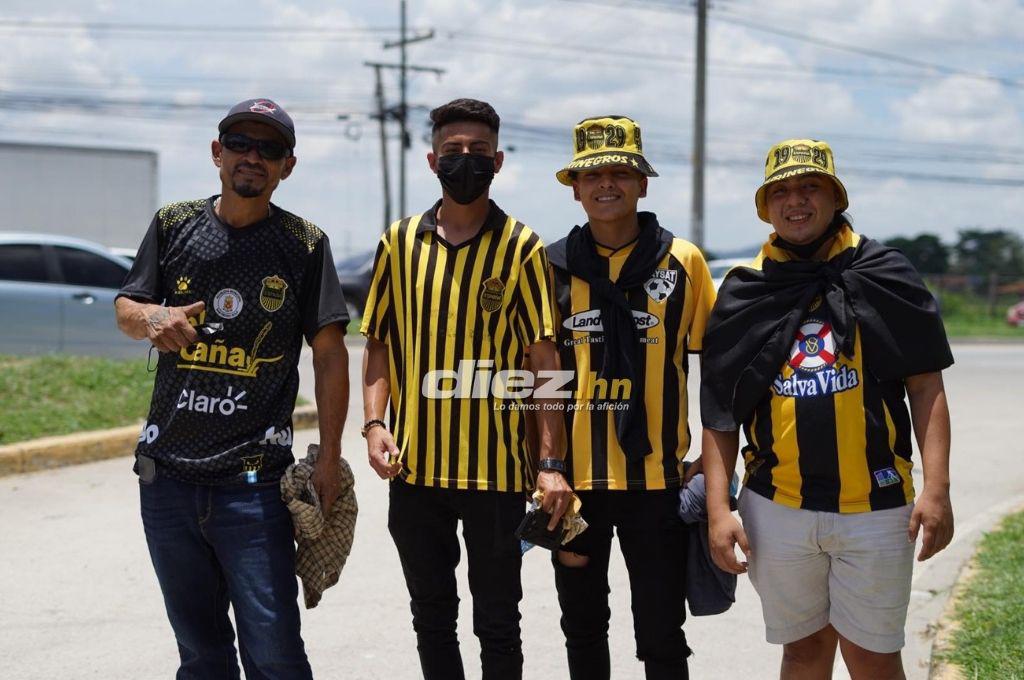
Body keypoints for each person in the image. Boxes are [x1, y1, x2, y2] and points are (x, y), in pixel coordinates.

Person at [700, 139, 955, 680]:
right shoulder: (744, 291)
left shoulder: (884, 272)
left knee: (874, 658)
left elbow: (926, 386)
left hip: (878, 507)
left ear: (835, 197)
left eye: (810, 187)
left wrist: (937, 490)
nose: (796, 201)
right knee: (804, 652)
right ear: (765, 206)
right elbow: (720, 412)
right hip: (777, 508)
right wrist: (720, 512)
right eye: (781, 191)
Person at [115, 98, 350, 679]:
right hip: (167, 478)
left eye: (268, 149)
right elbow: (126, 305)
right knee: (200, 654)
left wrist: (332, 455)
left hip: (255, 486)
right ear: (217, 153)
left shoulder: (303, 243)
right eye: (240, 144)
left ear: (286, 166)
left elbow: (328, 355)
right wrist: (154, 320)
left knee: (274, 656)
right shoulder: (173, 225)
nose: (252, 157)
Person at [359, 98, 572, 680]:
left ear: (498, 161)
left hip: (497, 475)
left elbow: (543, 361)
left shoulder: (523, 248)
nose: (465, 162)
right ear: (432, 161)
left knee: (498, 621)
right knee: (430, 615)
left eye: (479, 152)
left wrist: (550, 461)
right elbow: (378, 343)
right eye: (453, 152)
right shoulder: (398, 244)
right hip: (415, 474)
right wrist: (375, 424)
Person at [544, 115, 716, 680]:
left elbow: (713, 369)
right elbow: (536, 374)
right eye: (592, 175)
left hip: (658, 483)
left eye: (621, 172)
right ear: (574, 187)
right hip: (575, 485)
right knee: (582, 625)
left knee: (662, 631)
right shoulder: (550, 267)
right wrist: (543, 467)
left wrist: (711, 466)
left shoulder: (683, 262)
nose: (607, 185)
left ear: (643, 183)